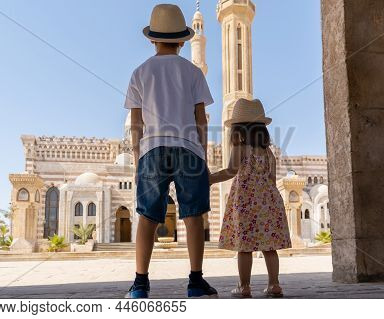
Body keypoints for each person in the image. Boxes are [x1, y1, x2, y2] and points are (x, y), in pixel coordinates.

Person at [124, 4, 217, 298]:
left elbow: (136, 124)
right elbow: (200, 118)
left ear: (152, 39)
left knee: (148, 216)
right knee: (193, 215)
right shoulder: (192, 72)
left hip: (152, 149)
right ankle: (195, 281)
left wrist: (139, 160)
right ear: (182, 40)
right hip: (189, 148)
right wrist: (202, 154)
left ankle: (140, 283)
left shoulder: (139, 73)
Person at [209, 98, 292, 298]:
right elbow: (272, 178)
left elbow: (230, 171)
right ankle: (274, 284)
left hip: (245, 202)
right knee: (269, 247)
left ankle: (244, 286)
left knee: (244, 247)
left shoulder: (240, 148)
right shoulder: (268, 152)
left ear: (238, 129)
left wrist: (210, 179)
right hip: (269, 201)